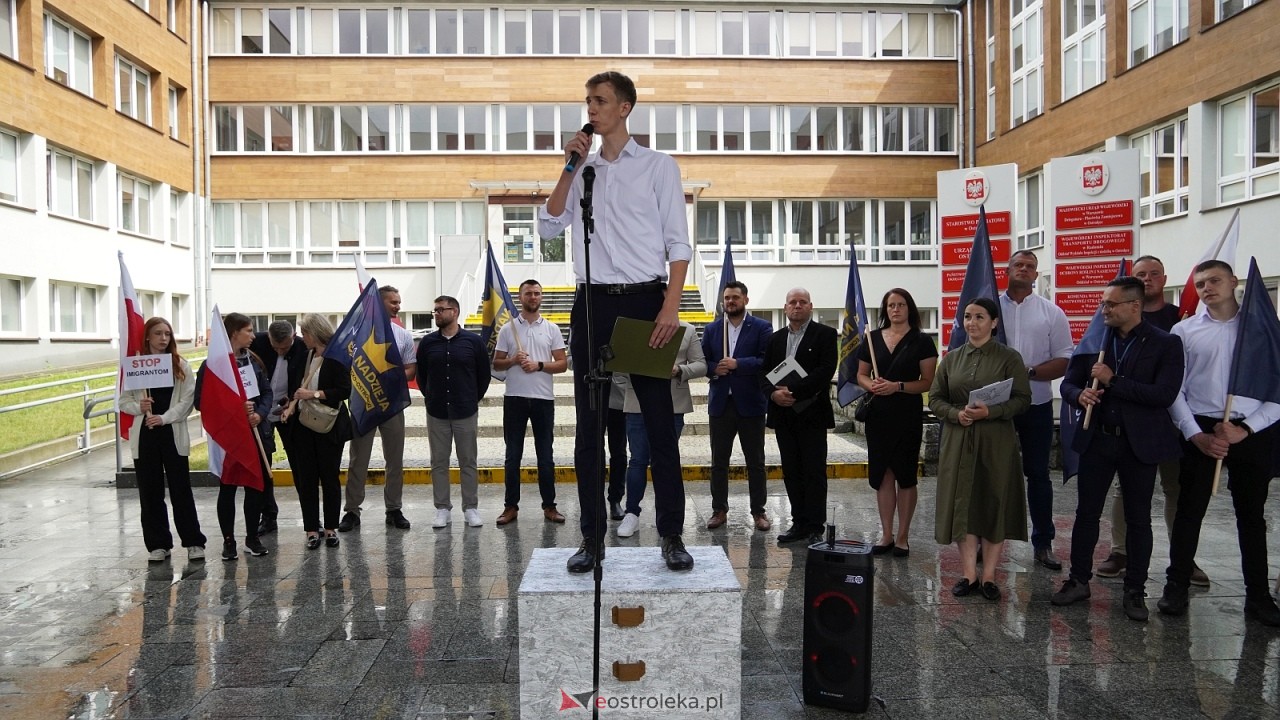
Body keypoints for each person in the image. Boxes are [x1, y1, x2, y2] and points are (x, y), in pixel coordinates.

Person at [539, 71, 693, 573]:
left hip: (647, 302)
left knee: (657, 422)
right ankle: (591, 538)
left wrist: (670, 306)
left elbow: (677, 243)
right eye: (587, 100)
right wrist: (569, 165)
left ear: (624, 108)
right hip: (591, 305)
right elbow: (548, 224)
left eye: (600, 101)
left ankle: (671, 533)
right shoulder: (583, 169)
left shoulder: (657, 166)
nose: (592, 108)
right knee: (588, 427)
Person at [1052, 277, 1185, 622]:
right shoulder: (1097, 338)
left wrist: (1113, 381)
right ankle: (1079, 580)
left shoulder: (1166, 344)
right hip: (1098, 438)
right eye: (1103, 303)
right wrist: (1078, 395)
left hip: (1138, 442)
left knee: (1139, 518)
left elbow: (1163, 395)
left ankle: (1134, 590)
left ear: (1134, 306)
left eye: (1111, 304)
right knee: (1086, 513)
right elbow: (1068, 382)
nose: (1104, 310)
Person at [1158, 260, 1280, 626]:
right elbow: (1173, 389)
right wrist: (1195, 433)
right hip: (1201, 428)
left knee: (1251, 517)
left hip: (1249, 429)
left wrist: (1246, 429)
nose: (1207, 288)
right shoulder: (1184, 331)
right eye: (1200, 283)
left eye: (1214, 280)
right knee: (1188, 511)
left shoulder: (1262, 330)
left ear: (1233, 282)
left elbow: (1276, 388)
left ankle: (1257, 597)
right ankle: (1176, 586)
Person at [1096, 255, 1209, 586]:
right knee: (1124, 490)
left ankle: (1183, 558)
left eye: (1154, 274)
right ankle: (1120, 552)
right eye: (1140, 275)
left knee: (1175, 488)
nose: (1148, 279)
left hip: (1172, 418)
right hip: (1130, 421)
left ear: (1164, 278)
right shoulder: (1113, 324)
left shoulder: (1180, 319)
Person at [929, 298, 1032, 601]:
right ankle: (968, 574)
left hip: (995, 439)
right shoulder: (951, 358)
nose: (972, 323)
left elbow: (1022, 400)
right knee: (964, 502)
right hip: (959, 438)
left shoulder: (1009, 358)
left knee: (992, 499)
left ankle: (989, 575)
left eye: (980, 317)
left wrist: (992, 412)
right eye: (967, 317)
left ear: (994, 322)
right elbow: (935, 398)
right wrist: (954, 414)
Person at [999, 250, 1074, 570]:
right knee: (994, 476)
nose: (1025, 270)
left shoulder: (1051, 312)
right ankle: (988, 543)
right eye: (1019, 265)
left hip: (1037, 403)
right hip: (996, 407)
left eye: (1031, 266)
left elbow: (1064, 359)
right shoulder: (989, 308)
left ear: (1036, 274)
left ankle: (1043, 543)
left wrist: (1026, 374)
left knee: (1039, 474)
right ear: (1008, 270)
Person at [854, 288, 938, 558]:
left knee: (905, 474)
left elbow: (926, 382)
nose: (896, 309)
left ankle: (903, 537)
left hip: (906, 413)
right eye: (890, 305)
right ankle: (887, 533)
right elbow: (861, 376)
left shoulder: (922, 341)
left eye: (901, 304)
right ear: (885, 310)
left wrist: (898, 386)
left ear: (909, 308)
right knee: (883, 475)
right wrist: (874, 386)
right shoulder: (872, 338)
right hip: (878, 415)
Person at [120, 317, 206, 562]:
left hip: (171, 433)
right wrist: (140, 406)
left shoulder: (180, 365)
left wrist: (164, 418)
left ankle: (193, 542)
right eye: (158, 333)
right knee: (150, 492)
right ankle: (158, 544)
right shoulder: (136, 366)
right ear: (148, 336)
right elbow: (123, 401)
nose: (163, 338)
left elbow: (186, 401)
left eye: (167, 334)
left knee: (181, 490)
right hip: (145, 435)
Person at [338, 285, 418, 533]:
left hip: (392, 405)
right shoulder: (356, 334)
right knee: (358, 459)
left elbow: (411, 369)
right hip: (363, 404)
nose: (398, 306)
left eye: (399, 301)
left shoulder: (402, 335)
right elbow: (344, 367)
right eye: (393, 302)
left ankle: (394, 509)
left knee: (394, 459)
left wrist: (389, 380)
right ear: (379, 304)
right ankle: (352, 511)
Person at [616, 320, 706, 537]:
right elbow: (618, 366)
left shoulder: (687, 329)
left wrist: (678, 370)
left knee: (666, 460)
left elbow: (701, 365)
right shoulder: (635, 328)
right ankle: (632, 513)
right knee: (637, 460)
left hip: (673, 403)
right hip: (637, 403)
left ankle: (666, 515)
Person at [195, 312, 273, 561]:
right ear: (233, 333)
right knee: (227, 490)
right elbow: (201, 402)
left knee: (255, 487)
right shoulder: (212, 366)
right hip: (229, 438)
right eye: (248, 330)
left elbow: (266, 393)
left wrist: (259, 414)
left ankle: (253, 537)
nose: (253, 335)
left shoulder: (254, 362)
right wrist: (234, 411)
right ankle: (228, 540)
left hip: (255, 433)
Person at [763, 288, 838, 545]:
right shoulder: (775, 339)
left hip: (812, 414)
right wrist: (774, 395)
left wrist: (792, 390)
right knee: (792, 471)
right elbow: (764, 375)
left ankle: (815, 526)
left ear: (810, 306)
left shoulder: (825, 334)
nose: (797, 306)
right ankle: (799, 523)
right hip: (783, 414)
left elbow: (825, 371)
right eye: (792, 302)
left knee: (814, 471)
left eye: (802, 302)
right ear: (785, 308)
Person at [493, 279, 568, 526]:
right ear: (520, 297)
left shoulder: (552, 329)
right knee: (512, 456)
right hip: (514, 398)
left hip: (543, 400)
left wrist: (539, 365)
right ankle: (510, 507)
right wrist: (514, 360)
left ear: (541, 297)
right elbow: (497, 363)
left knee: (545, 456)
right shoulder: (508, 329)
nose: (533, 297)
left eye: (537, 293)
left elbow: (562, 364)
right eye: (528, 293)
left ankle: (549, 506)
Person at [701, 281, 773, 532]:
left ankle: (758, 511)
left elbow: (767, 361)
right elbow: (703, 361)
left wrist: (737, 364)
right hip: (721, 404)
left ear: (745, 300)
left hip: (751, 404)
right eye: (727, 298)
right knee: (719, 461)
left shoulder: (762, 327)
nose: (730, 302)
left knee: (756, 461)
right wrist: (714, 368)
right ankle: (719, 509)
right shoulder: (712, 329)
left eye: (735, 298)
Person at [415, 295, 491, 530]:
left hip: (465, 411)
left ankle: (470, 508)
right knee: (439, 461)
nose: (437, 313)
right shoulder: (428, 343)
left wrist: (471, 398)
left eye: (441, 310)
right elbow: (422, 376)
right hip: (437, 411)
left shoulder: (473, 342)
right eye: (435, 310)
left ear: (455, 312)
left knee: (468, 461)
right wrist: (433, 398)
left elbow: (483, 376)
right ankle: (442, 509)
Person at [280, 313, 352, 550]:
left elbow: (343, 391)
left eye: (305, 333)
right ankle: (312, 529)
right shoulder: (303, 356)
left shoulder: (337, 357)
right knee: (306, 478)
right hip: (303, 425)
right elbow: (294, 388)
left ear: (314, 333)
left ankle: (331, 528)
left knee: (329, 477)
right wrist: (289, 405)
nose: (302, 338)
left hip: (329, 425)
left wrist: (314, 394)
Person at [249, 319, 307, 536]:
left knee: (300, 464)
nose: (280, 351)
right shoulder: (257, 344)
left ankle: (310, 517)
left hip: (290, 411)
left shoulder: (302, 348)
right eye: (275, 347)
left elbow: (304, 381)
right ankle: (268, 516)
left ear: (293, 337)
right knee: (263, 465)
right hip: (260, 412)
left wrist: (291, 401)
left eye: (285, 347)